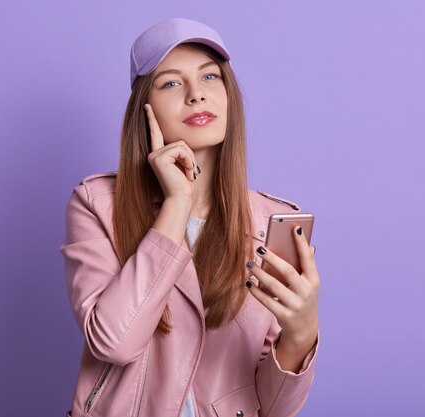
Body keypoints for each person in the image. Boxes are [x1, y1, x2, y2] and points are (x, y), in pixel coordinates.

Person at [60, 17, 320, 417]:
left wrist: (301, 336)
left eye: (210, 77)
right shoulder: (97, 203)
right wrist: (176, 205)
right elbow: (114, 342)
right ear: (143, 109)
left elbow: (273, 408)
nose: (197, 95)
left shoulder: (272, 221)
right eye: (171, 83)